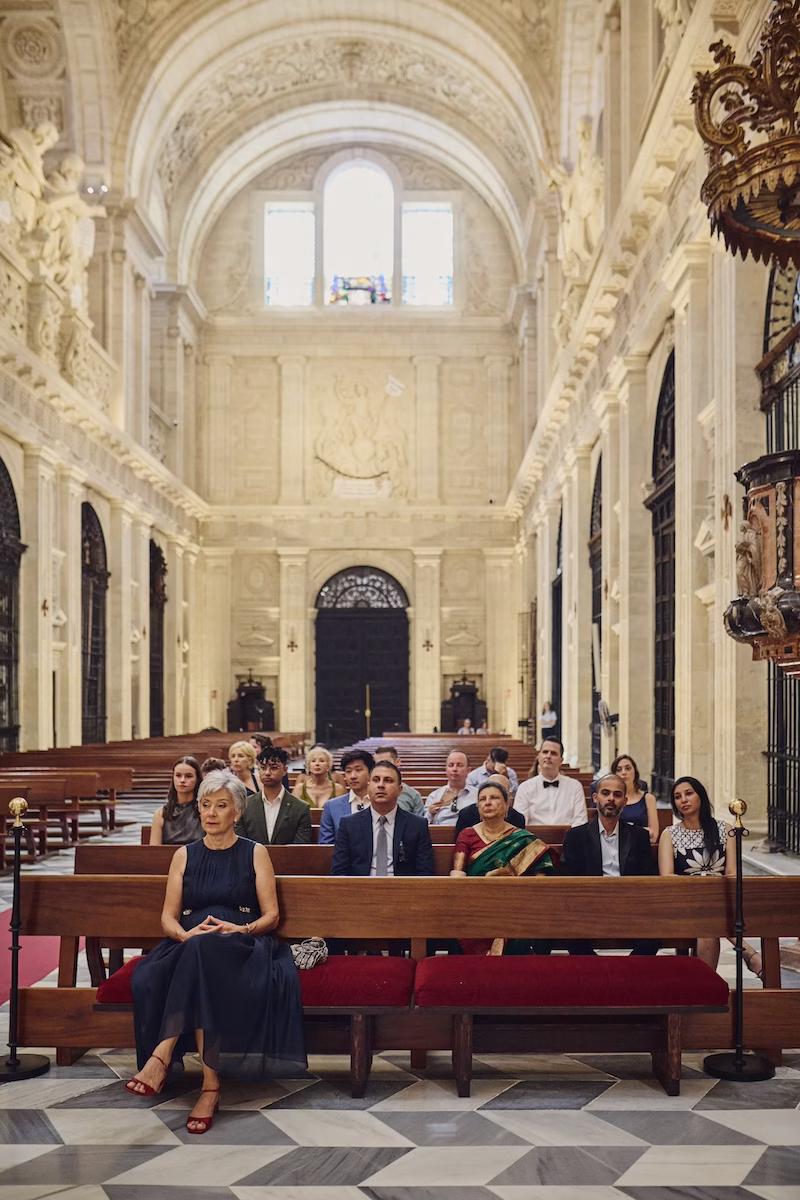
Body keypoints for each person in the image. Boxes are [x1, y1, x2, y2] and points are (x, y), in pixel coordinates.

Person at [125, 769, 306, 1133]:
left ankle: (163, 1054)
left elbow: (271, 916)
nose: (210, 813)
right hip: (188, 943)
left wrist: (241, 928)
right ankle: (210, 1085)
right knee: (183, 962)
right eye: (205, 805)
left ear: (237, 812)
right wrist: (188, 937)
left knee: (206, 953)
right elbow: (167, 918)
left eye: (220, 806)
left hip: (242, 944)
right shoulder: (183, 855)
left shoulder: (256, 853)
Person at [659, 775, 763, 976]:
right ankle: (750, 955)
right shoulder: (669, 834)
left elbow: (732, 873)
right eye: (678, 797)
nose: (684, 800)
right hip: (684, 901)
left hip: (720, 900)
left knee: (708, 927)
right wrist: (700, 887)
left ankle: (704, 987)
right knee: (708, 923)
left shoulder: (725, 830)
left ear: (701, 796)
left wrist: (712, 892)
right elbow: (667, 877)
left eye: (689, 793)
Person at [450, 780, 555, 954]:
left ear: (507, 805)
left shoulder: (523, 838)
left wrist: (525, 900)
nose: (487, 802)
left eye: (494, 798)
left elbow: (541, 875)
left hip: (516, 904)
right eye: (482, 799)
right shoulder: (467, 834)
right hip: (475, 904)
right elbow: (457, 874)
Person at [560, 773, 659, 956]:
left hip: (630, 906)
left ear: (624, 801)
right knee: (570, 931)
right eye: (605, 793)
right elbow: (568, 880)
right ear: (596, 798)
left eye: (617, 794)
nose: (611, 799)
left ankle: (628, 973)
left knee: (655, 931)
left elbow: (648, 877)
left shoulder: (639, 836)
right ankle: (597, 972)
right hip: (589, 906)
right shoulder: (576, 837)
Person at [331, 759, 434, 876]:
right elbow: (339, 871)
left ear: (399, 790)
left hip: (403, 890)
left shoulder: (417, 825)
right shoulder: (349, 824)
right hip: (360, 890)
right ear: (369, 787)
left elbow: (425, 873)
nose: (380, 785)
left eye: (388, 780)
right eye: (376, 780)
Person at [236, 746, 312, 845]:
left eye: (274, 768)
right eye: (263, 768)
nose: (267, 773)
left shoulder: (301, 808)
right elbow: (241, 844)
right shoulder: (245, 805)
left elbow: (300, 848)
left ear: (285, 770)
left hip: (288, 859)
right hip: (252, 859)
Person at [514, 739, 587, 828]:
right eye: (545, 752)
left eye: (553, 753)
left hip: (569, 839)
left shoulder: (575, 786)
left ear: (561, 761)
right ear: (539, 757)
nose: (548, 756)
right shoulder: (525, 788)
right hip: (533, 840)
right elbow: (520, 823)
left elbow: (580, 820)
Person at [318, 750, 375, 844]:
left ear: (370, 772)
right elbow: (326, 845)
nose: (353, 776)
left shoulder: (381, 802)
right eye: (348, 771)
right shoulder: (332, 807)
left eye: (358, 770)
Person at [151, 757, 202, 846]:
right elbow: (154, 852)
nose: (182, 780)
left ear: (197, 779)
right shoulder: (160, 814)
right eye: (178, 775)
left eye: (188, 776)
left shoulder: (204, 811)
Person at [455, 773, 526, 836]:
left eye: (496, 796)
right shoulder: (466, 815)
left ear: (509, 797)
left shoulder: (517, 818)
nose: (488, 802)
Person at [612, 753, 659, 845]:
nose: (624, 773)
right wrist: (641, 831)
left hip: (641, 848)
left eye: (628, 768)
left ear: (635, 772)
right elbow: (610, 833)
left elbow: (653, 836)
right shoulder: (611, 799)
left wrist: (625, 832)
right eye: (619, 770)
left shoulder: (648, 798)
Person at [423, 751, 477, 825]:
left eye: (459, 765)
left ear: (468, 770)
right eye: (451, 765)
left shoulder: (478, 795)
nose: (454, 769)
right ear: (446, 770)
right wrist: (430, 813)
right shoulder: (434, 796)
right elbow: (424, 824)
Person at [374, 745, 425, 816]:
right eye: (378, 764)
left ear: (398, 762)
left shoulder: (413, 795)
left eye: (386, 763)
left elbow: (418, 824)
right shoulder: (369, 792)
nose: (382, 768)